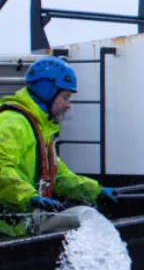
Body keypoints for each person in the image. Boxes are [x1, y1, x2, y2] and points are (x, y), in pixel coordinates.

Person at [0, 56, 118, 237]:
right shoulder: (12, 123)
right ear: (46, 91)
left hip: (19, 227)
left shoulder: (40, 128)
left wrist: (95, 191)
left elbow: (60, 177)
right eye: (65, 97)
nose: (68, 105)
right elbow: (2, 170)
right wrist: (29, 196)